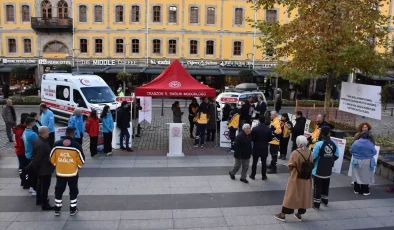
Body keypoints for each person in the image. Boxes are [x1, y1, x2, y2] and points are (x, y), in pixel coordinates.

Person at [274, 136, 313, 222]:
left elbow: (291, 165)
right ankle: (299, 214)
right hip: (307, 177)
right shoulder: (309, 152)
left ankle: (282, 214)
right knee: (304, 195)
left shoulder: (295, 153)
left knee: (290, 195)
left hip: (296, 177)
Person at [50, 127, 85, 216]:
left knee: (59, 190)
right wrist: (77, 167)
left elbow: (51, 158)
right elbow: (82, 160)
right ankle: (73, 209)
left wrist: (57, 165)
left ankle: (57, 209)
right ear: (73, 134)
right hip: (72, 173)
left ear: (65, 133)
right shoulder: (76, 145)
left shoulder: (57, 144)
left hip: (60, 173)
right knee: (73, 191)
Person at [312, 126, 339, 210]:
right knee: (326, 186)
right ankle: (325, 201)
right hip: (328, 169)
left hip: (318, 169)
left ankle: (316, 204)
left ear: (321, 133)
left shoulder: (319, 144)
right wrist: (329, 160)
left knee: (317, 187)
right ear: (329, 133)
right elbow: (336, 155)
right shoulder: (334, 143)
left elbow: (314, 156)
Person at [31, 126, 54, 210]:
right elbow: (38, 158)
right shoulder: (42, 144)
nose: (49, 133)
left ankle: (39, 200)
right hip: (44, 169)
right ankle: (45, 204)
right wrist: (36, 168)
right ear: (44, 133)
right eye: (48, 131)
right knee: (45, 187)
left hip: (42, 168)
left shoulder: (38, 140)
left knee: (40, 184)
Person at [350, 131, 377, 196]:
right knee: (365, 176)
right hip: (367, 161)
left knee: (357, 175)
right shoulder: (370, 144)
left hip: (356, 160)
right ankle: (365, 190)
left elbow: (351, 150)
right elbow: (374, 152)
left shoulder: (356, 142)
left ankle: (356, 189)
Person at [250, 115, 272, 180]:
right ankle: (263, 176)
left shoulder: (254, 128)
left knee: (254, 162)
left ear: (258, 120)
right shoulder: (268, 129)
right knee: (264, 162)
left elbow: (252, 138)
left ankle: (253, 175)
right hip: (264, 146)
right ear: (264, 120)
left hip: (256, 146)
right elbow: (270, 139)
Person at [13, 113, 30, 189]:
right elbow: (21, 144)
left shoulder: (19, 129)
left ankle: (24, 181)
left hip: (20, 151)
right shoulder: (21, 131)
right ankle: (25, 182)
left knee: (22, 167)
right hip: (22, 151)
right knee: (23, 167)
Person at [22, 117, 39, 195]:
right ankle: (34, 189)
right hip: (32, 155)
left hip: (27, 154)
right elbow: (38, 144)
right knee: (34, 174)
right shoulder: (33, 134)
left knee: (30, 173)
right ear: (31, 123)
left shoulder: (24, 132)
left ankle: (31, 187)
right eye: (34, 121)